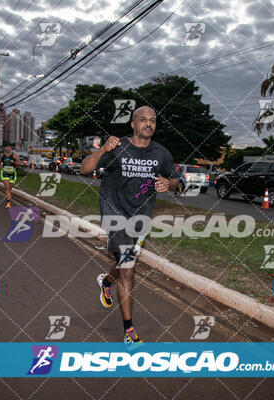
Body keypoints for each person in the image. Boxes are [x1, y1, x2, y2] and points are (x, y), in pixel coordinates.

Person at [80, 106, 179, 348]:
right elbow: (85, 169)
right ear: (132, 125)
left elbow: (177, 180)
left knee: (125, 262)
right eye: (143, 119)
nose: (148, 123)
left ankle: (106, 282)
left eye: (153, 120)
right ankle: (129, 331)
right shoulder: (118, 147)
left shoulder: (161, 153)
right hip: (115, 214)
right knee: (128, 269)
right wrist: (103, 148)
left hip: (141, 217)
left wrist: (170, 183)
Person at [0, 143, 20, 209]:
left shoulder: (14, 155)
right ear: (5, 148)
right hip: (4, 172)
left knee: (10, 188)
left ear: (11, 148)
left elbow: (19, 163)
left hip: (12, 173)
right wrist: (0, 162)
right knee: (7, 187)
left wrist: (14, 162)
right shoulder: (2, 155)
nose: (8, 148)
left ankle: (8, 197)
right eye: (6, 147)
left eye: (9, 147)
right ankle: (8, 202)